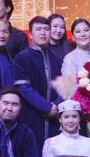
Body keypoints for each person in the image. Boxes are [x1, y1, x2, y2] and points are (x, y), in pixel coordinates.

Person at [14, 16, 61, 148]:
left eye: (46, 29)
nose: (43, 33)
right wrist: (46, 107)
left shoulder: (56, 59)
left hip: (54, 116)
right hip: (32, 114)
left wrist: (56, 105)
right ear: (30, 34)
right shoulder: (22, 58)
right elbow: (23, 88)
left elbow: (64, 87)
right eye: (38, 29)